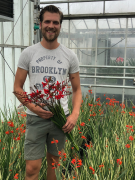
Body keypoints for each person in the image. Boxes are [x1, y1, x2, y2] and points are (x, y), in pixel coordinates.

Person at [14, 5, 82, 180]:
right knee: (31, 169)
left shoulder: (69, 56)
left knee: (55, 165)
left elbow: (77, 89)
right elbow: (17, 88)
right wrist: (34, 108)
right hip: (35, 119)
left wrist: (74, 115)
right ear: (40, 23)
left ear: (60, 25)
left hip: (61, 120)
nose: (51, 25)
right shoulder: (28, 53)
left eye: (55, 22)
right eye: (47, 21)